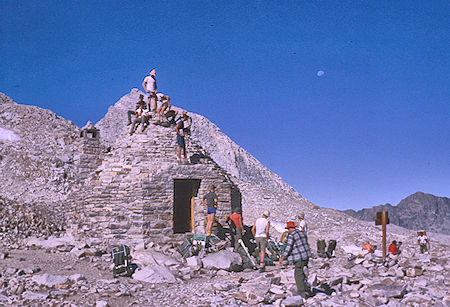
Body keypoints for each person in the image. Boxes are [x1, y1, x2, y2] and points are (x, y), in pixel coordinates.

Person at [279, 221, 312, 299]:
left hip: (298, 257)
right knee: (304, 272)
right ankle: (307, 288)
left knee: (298, 274)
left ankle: (301, 292)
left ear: (290, 228)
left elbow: (289, 247)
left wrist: (283, 257)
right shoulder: (302, 233)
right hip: (306, 256)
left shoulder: (292, 235)